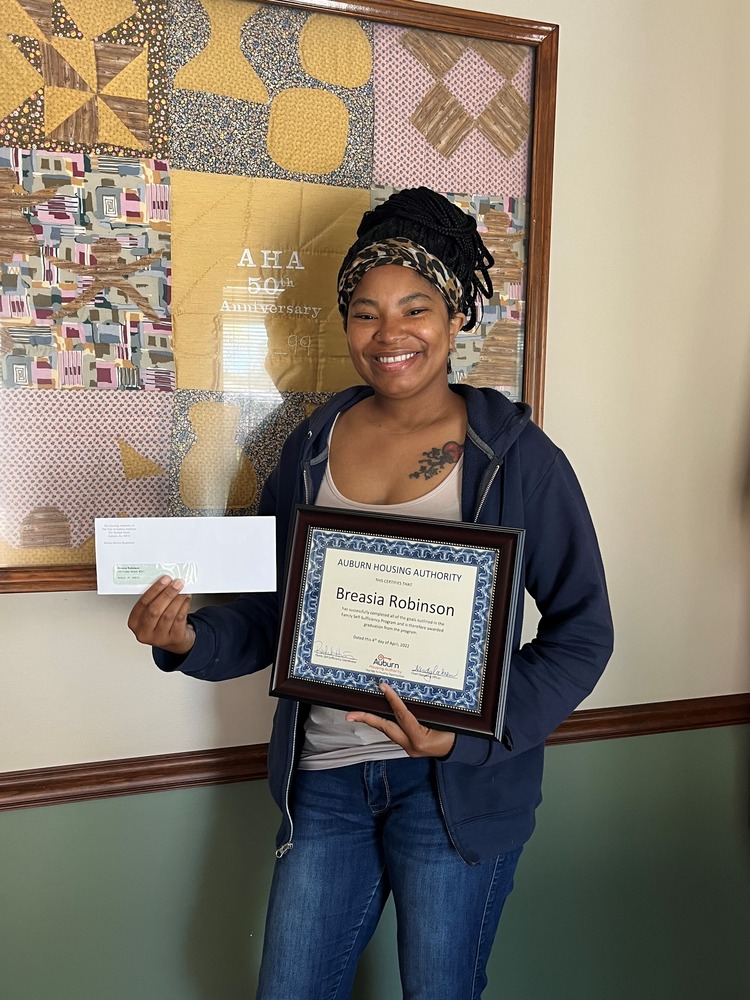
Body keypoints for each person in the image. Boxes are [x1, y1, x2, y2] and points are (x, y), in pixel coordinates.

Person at [128, 187, 614, 1000]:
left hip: (455, 791)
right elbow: (274, 612)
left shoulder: (517, 457)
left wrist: (467, 739)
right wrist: (185, 641)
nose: (390, 334)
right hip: (325, 782)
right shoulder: (310, 447)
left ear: (456, 316)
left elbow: (582, 632)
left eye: (415, 308)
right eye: (365, 312)